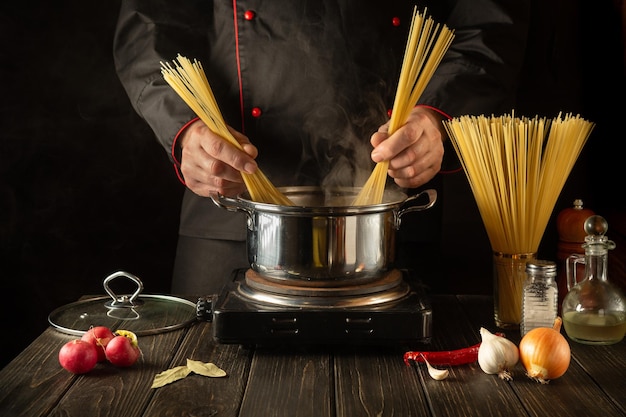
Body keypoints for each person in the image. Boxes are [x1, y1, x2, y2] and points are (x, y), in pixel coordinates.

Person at [114, 0, 531, 295]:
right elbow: (147, 27)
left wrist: (437, 118)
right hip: (231, 211)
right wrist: (185, 129)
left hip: (390, 217)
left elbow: (489, 24)